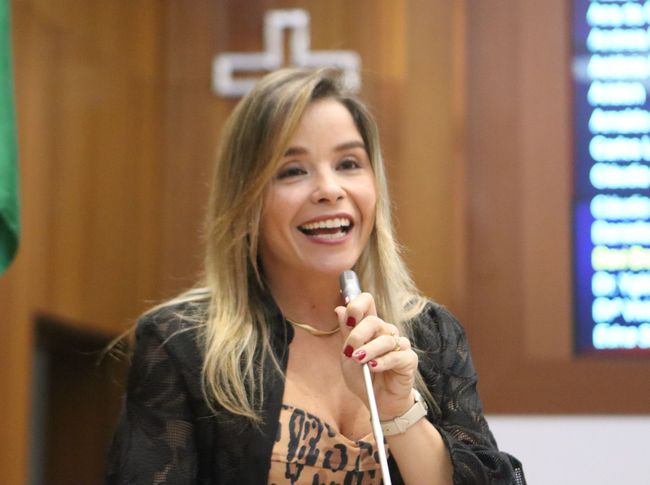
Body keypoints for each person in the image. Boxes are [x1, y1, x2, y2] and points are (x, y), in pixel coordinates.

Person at [105, 67, 526, 485]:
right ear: (246, 198)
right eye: (293, 171)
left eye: (348, 163)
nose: (329, 189)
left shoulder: (431, 334)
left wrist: (400, 413)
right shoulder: (182, 343)